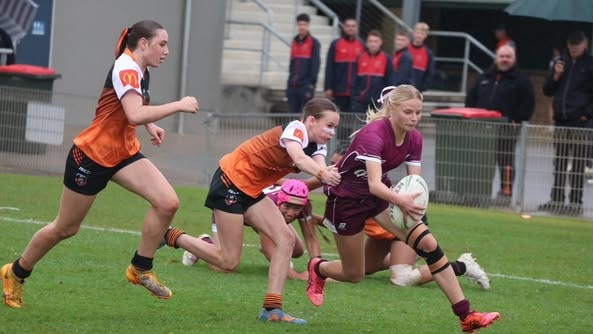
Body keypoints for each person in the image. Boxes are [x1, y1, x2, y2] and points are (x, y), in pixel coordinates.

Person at [0, 20, 199, 308]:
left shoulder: (141, 68)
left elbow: (133, 108)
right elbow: (133, 113)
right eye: (162, 44)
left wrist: (151, 124)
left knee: (167, 202)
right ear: (143, 43)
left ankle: (140, 268)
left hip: (123, 154)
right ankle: (15, 272)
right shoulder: (127, 67)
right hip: (92, 156)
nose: (167, 51)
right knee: (65, 228)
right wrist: (179, 104)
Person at [305, 85, 500, 333]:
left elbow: (414, 183)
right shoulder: (373, 134)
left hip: (381, 200)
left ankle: (467, 316)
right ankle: (318, 268)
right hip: (346, 202)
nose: (414, 118)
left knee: (429, 245)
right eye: (408, 112)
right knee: (355, 274)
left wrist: (413, 204)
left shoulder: (414, 138)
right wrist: (402, 200)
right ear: (392, 108)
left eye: (418, 112)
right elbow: (374, 184)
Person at [162, 97, 341, 324]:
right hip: (230, 182)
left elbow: (319, 169)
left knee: (285, 238)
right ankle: (169, 235)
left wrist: (332, 176)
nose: (333, 132)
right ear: (312, 121)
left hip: (252, 190)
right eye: (329, 126)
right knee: (228, 262)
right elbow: (299, 158)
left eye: (335, 127)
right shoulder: (296, 129)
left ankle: (272, 309)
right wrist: (325, 175)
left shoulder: (318, 145)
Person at [181, 179, 322, 281]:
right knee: (224, 266)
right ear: (280, 200)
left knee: (296, 250)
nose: (291, 213)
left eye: (296, 208)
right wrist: (295, 275)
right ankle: (204, 242)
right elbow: (269, 250)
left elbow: (311, 239)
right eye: (287, 207)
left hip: (255, 215)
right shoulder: (270, 205)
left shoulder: (303, 203)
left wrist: (317, 272)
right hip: (230, 210)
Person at [465, 45, 535, 201]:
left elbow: (529, 103)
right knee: (480, 161)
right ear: (496, 58)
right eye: (502, 56)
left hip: (507, 129)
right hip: (482, 128)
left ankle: (506, 192)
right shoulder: (484, 77)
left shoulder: (521, 80)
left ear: (514, 59)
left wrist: (517, 119)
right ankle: (478, 192)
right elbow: (471, 97)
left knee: (506, 161)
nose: (504, 60)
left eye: (508, 57)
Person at [539, 30, 593, 216]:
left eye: (577, 43)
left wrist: (586, 114)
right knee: (559, 162)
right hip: (561, 119)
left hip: (579, 121)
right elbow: (547, 90)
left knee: (578, 163)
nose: (573, 47)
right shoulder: (561, 63)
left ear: (585, 44)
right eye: (570, 43)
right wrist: (555, 76)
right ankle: (556, 199)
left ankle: (575, 202)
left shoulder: (590, 65)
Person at [324, 18, 365, 145]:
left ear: (357, 28)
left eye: (353, 26)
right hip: (339, 90)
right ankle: (341, 145)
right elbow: (329, 67)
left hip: (355, 92)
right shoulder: (336, 44)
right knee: (340, 120)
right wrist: (328, 87)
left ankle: (352, 146)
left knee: (355, 120)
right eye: (348, 26)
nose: (350, 28)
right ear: (344, 28)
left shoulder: (362, 45)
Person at [350, 30, 396, 115]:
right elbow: (354, 81)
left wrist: (384, 101)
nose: (373, 44)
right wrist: (355, 99)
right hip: (360, 102)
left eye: (376, 41)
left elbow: (390, 84)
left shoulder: (387, 59)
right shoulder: (360, 58)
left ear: (380, 42)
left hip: (378, 103)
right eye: (370, 41)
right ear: (367, 43)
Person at [286, 13, 321, 115]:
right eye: (300, 24)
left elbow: (315, 65)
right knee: (292, 116)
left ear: (308, 25)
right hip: (293, 86)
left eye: (304, 24)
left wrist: (311, 84)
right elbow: (292, 64)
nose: (302, 27)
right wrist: (289, 83)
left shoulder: (314, 42)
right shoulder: (295, 41)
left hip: (305, 86)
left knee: (306, 115)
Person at [407, 22, 435, 92]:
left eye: (422, 33)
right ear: (413, 33)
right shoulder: (404, 49)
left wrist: (422, 88)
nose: (419, 36)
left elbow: (430, 73)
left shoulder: (428, 53)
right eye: (417, 33)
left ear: (425, 36)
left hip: (417, 91)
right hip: (401, 91)